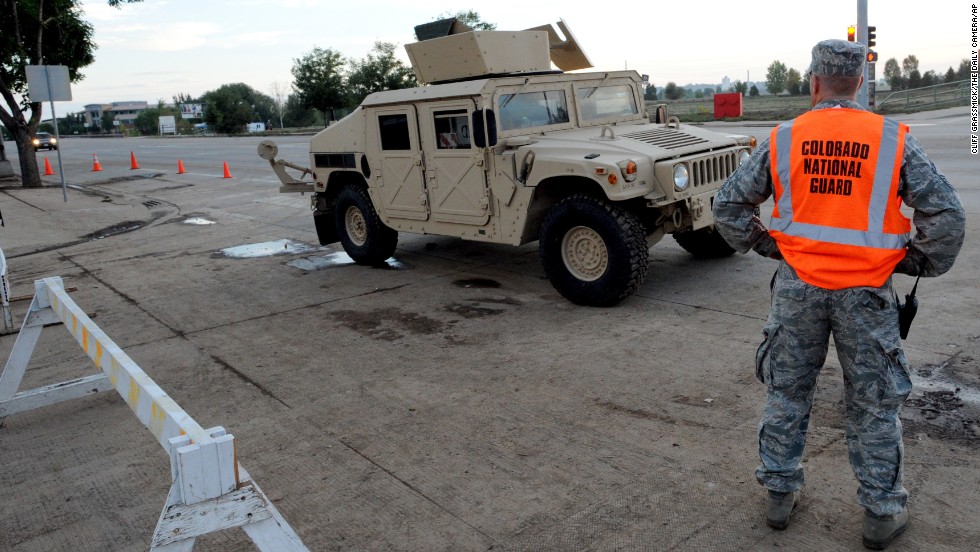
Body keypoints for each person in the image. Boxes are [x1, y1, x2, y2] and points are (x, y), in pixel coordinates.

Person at [712, 39, 966, 550]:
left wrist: (770, 247)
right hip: (866, 294)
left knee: (786, 393)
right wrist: (913, 260)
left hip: (798, 290)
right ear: (860, 84)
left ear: (812, 83)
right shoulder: (891, 139)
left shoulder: (784, 138)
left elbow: (727, 207)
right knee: (874, 405)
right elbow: (947, 217)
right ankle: (880, 514)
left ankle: (779, 498)